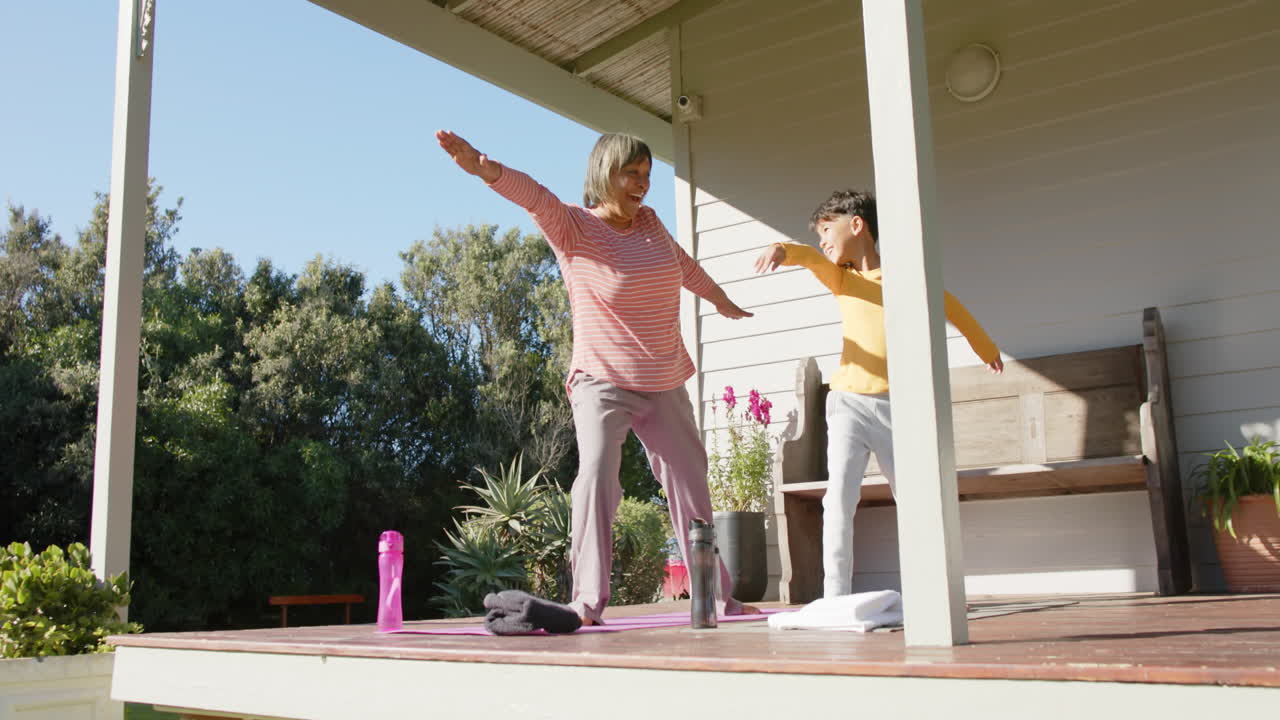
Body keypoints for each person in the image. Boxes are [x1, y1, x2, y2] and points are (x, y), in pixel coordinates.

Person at [437, 129, 758, 623]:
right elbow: (535, 196)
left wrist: (719, 299)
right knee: (597, 477)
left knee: (691, 485)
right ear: (603, 173)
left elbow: (683, 266)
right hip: (602, 381)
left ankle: (715, 596)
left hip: (664, 377)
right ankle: (587, 601)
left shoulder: (650, 225)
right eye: (631, 173)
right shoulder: (573, 228)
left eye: (646, 175)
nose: (641, 184)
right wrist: (486, 168)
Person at [753, 189, 1003, 598]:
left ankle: (932, 594)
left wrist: (986, 348)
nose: (822, 241)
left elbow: (951, 306)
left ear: (857, 225)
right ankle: (836, 596)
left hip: (896, 410)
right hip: (848, 403)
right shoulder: (842, 279)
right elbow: (811, 257)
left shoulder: (906, 283)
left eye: (826, 229)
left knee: (915, 500)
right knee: (839, 498)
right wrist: (782, 249)